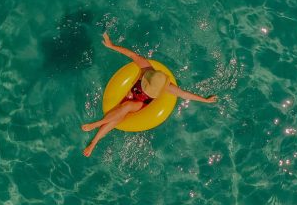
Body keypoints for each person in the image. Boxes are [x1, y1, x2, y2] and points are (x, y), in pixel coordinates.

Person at [82, 33, 217, 157]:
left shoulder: (167, 87)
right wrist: (111, 45)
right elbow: (132, 55)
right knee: (119, 117)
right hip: (130, 95)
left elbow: (185, 94)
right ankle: (94, 142)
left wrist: (205, 100)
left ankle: (97, 123)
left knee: (127, 106)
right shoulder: (146, 68)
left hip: (139, 104)